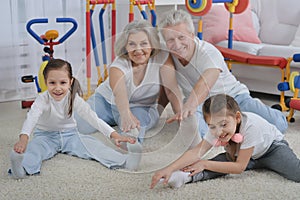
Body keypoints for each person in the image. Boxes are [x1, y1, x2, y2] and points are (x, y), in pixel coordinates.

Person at [157, 9, 288, 137]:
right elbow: (170, 90)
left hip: (233, 98)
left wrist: (189, 106)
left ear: (192, 35)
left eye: (181, 37)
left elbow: (205, 83)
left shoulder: (208, 52)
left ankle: (267, 110)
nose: (177, 44)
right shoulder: (167, 56)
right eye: (170, 40)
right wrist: (182, 114)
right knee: (196, 134)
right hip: (201, 105)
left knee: (278, 124)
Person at [9, 58, 143, 179]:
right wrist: (24, 138)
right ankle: (21, 168)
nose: (57, 88)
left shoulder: (74, 99)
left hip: (71, 135)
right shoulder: (42, 99)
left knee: (94, 146)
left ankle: (124, 161)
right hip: (45, 137)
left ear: (70, 82)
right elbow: (31, 117)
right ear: (45, 82)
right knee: (34, 150)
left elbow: (92, 118)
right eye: (52, 83)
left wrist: (113, 135)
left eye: (63, 82)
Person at [150, 94, 300, 189]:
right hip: (241, 154)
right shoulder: (217, 128)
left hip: (271, 150)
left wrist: (204, 163)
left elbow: (239, 167)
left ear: (237, 118)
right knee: (217, 164)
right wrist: (168, 168)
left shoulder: (251, 127)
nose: (219, 132)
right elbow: (197, 152)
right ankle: (184, 177)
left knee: (297, 173)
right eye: (212, 126)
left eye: (223, 125)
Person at [75, 19, 182, 143]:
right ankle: (112, 120)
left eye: (143, 43)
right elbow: (119, 93)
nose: (138, 50)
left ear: (152, 45)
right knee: (78, 125)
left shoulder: (162, 57)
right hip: (106, 102)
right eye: (132, 44)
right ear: (125, 47)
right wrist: (125, 115)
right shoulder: (119, 65)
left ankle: (126, 147)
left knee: (133, 133)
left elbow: (171, 90)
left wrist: (180, 115)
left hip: (140, 107)